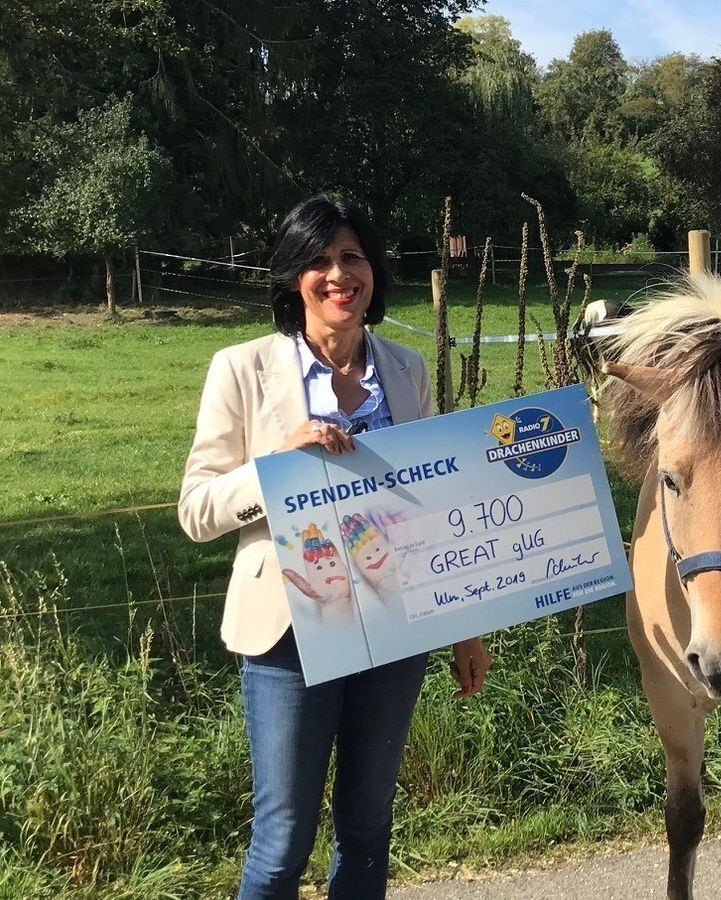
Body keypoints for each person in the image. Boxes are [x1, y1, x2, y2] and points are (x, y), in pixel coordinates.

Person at [178, 196, 491, 900]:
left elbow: (430, 503)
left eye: (352, 257)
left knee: (369, 828)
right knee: (282, 840)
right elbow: (195, 511)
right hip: (289, 631)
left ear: (373, 270)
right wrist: (277, 466)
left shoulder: (406, 370)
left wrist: (463, 625)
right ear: (294, 278)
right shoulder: (242, 368)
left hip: (394, 624)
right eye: (318, 260)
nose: (337, 274)